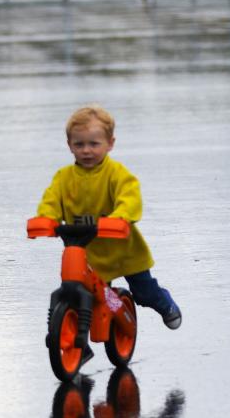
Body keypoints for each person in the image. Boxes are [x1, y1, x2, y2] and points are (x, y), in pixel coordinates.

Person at [33, 104, 182, 357]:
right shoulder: (63, 178)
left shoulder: (116, 174)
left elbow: (129, 196)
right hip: (87, 252)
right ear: (69, 145)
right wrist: (46, 218)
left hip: (123, 250)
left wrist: (120, 217)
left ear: (110, 144)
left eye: (94, 144)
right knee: (81, 293)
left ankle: (164, 303)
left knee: (143, 292)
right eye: (79, 144)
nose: (86, 150)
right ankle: (77, 343)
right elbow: (51, 199)